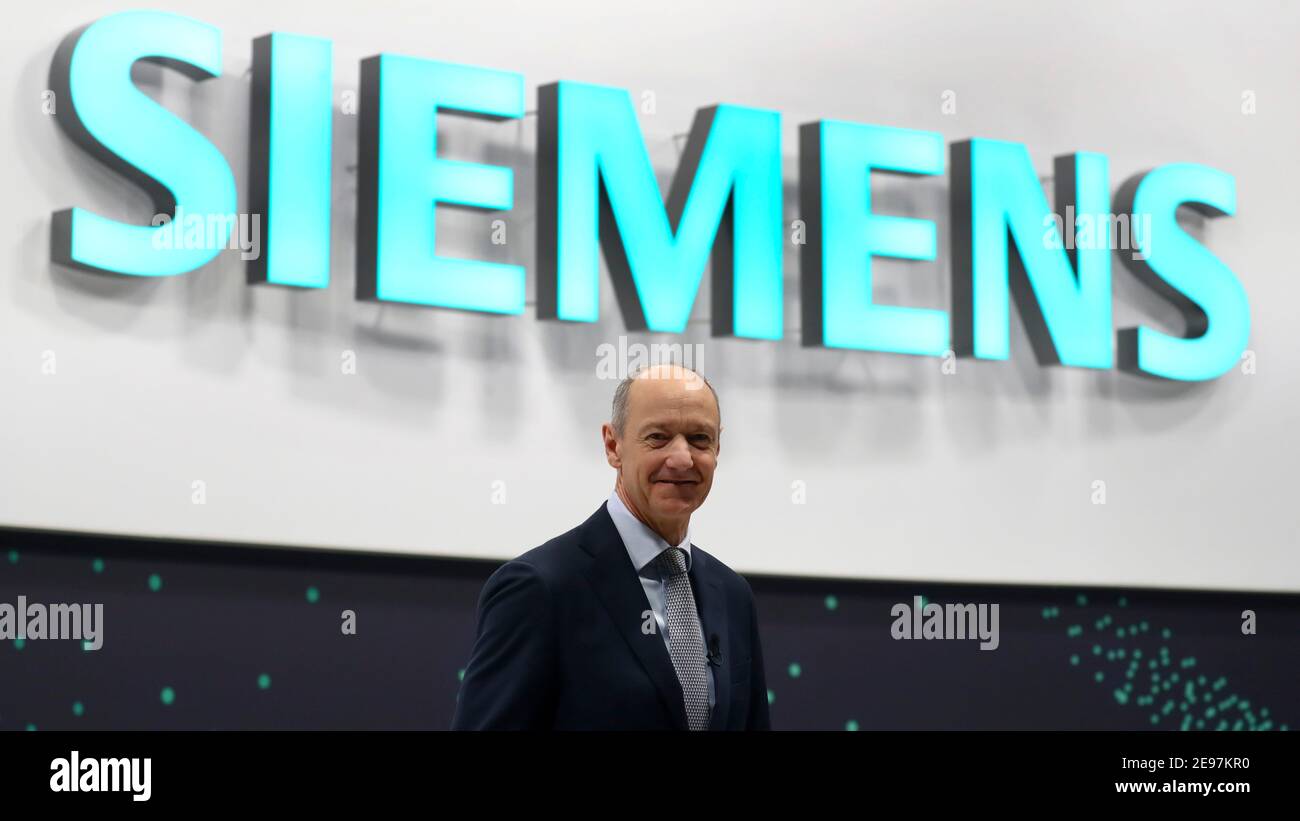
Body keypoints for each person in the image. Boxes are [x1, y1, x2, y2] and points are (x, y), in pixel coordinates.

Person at [451, 363, 771, 730]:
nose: (682, 458)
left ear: (718, 447)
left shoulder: (732, 594)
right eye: (658, 437)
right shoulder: (539, 588)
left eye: (699, 438)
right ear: (612, 445)